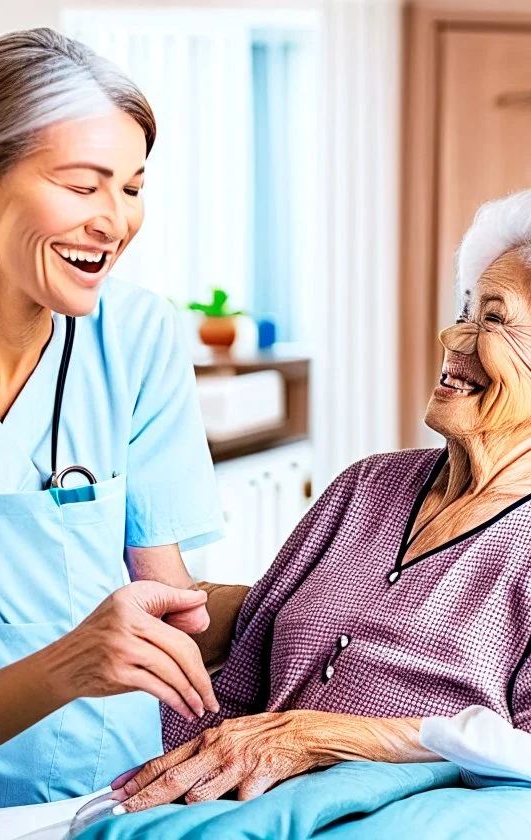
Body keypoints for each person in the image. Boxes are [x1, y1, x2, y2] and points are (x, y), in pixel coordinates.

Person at [0, 27, 249, 838]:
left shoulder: (136, 339)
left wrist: (343, 592)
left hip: (122, 808)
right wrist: (67, 668)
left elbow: (171, 612)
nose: (115, 222)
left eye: (133, 188)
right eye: (82, 186)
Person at [115, 190, 531, 812]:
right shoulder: (366, 486)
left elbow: (518, 751)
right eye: (465, 311)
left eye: (493, 320)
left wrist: (320, 739)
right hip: (219, 807)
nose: (453, 336)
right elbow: (242, 660)